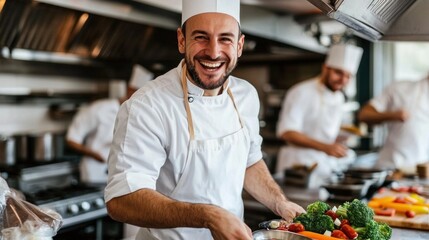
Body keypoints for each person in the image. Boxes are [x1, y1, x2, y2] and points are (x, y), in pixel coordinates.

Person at [104, 0, 305, 239]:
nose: (213, 52)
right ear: (181, 40)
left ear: (239, 45)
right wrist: (208, 216)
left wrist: (279, 203)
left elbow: (249, 161)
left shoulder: (246, 95)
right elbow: (122, 199)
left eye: (225, 39)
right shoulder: (147, 105)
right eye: (201, 37)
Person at [276, 44, 363, 188]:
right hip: (298, 169)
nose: (343, 80)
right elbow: (287, 133)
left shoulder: (339, 97)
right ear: (325, 68)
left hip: (324, 167)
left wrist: (339, 138)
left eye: (348, 76)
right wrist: (326, 147)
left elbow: (324, 130)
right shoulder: (301, 92)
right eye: (338, 73)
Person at [66, 64, 153, 184]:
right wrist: (94, 154)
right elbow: (72, 139)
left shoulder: (138, 114)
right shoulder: (100, 109)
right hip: (95, 174)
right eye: (140, 94)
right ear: (129, 90)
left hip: (121, 176)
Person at [358, 77, 429, 175]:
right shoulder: (400, 88)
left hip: (420, 170)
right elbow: (364, 115)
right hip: (390, 167)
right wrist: (392, 115)